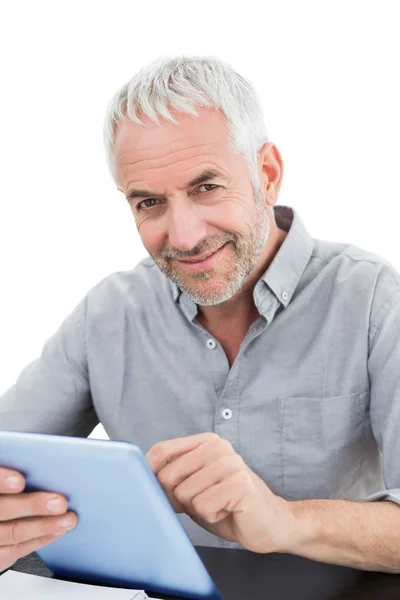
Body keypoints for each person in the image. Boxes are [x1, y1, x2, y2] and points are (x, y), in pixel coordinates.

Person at [0, 55, 400, 576]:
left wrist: (287, 520)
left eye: (206, 187)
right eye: (149, 203)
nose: (184, 237)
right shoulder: (109, 314)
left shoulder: (374, 301)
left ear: (268, 173)